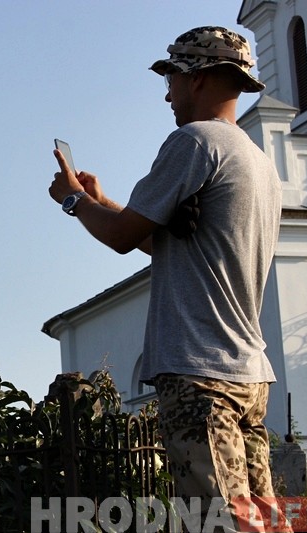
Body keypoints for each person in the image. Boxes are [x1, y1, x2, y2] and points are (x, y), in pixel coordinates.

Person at [49, 26, 282, 528]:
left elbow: (121, 237)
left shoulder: (195, 141)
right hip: (248, 371)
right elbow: (166, 244)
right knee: (262, 519)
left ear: (196, 77)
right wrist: (104, 202)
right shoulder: (259, 163)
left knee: (219, 521)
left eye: (172, 77)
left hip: (200, 373)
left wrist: (73, 200)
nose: (167, 92)